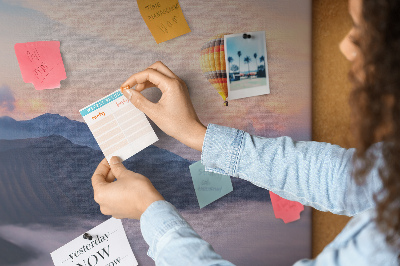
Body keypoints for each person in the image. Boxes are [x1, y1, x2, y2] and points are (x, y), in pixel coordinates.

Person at [91, 0, 400, 264]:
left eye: (364, 31)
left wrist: (149, 211)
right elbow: (344, 178)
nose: (345, 46)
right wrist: (196, 134)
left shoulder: (385, 247)